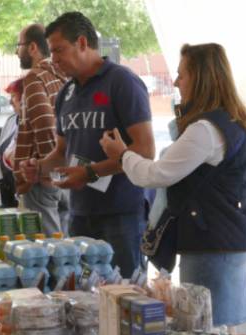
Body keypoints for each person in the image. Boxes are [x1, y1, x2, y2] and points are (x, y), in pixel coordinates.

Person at [100, 43, 246, 327]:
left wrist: (123, 155)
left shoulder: (206, 130)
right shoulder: (237, 122)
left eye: (181, 75)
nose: (176, 82)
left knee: (204, 328)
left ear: (200, 78)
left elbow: (157, 174)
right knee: (223, 329)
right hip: (235, 236)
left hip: (213, 243)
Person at [22, 12, 155, 276]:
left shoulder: (122, 82)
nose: (53, 59)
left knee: (123, 291)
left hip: (122, 213)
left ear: (82, 43)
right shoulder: (66, 92)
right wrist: (39, 167)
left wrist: (89, 172)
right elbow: (62, 152)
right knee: (83, 292)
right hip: (80, 214)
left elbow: (146, 150)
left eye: (59, 50)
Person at [13, 23, 68, 235]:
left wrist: (46, 171)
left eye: (19, 46)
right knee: (66, 244)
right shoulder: (62, 75)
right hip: (66, 174)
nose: (17, 52)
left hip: (41, 179)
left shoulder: (35, 77)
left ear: (33, 47)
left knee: (47, 246)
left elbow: (45, 124)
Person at [0, 78, 22, 208]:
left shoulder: (36, 123)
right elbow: (1, 151)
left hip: (25, 190)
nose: (10, 102)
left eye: (13, 96)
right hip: (7, 189)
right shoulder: (11, 120)